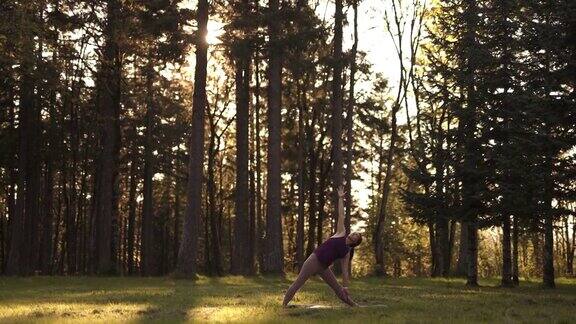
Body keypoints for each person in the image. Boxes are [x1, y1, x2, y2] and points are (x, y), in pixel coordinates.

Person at [283, 185, 363, 307]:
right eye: (355, 232)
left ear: (355, 241)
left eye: (356, 235)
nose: (354, 233)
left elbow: (345, 271)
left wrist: (346, 286)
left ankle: (354, 305)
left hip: (324, 267)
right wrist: (341, 199)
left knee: (338, 288)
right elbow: (341, 215)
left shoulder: (346, 252)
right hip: (314, 260)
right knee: (298, 283)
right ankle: (283, 306)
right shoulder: (341, 232)